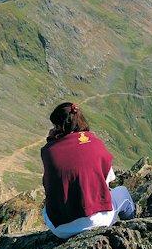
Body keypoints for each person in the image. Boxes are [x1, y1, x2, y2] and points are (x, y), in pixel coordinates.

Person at [41, 102, 135, 239]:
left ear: (60, 127)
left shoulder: (48, 151)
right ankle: (132, 228)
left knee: (45, 209)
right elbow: (107, 181)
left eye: (55, 125)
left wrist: (51, 142)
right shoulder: (96, 144)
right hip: (98, 221)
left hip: (61, 229)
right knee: (122, 192)